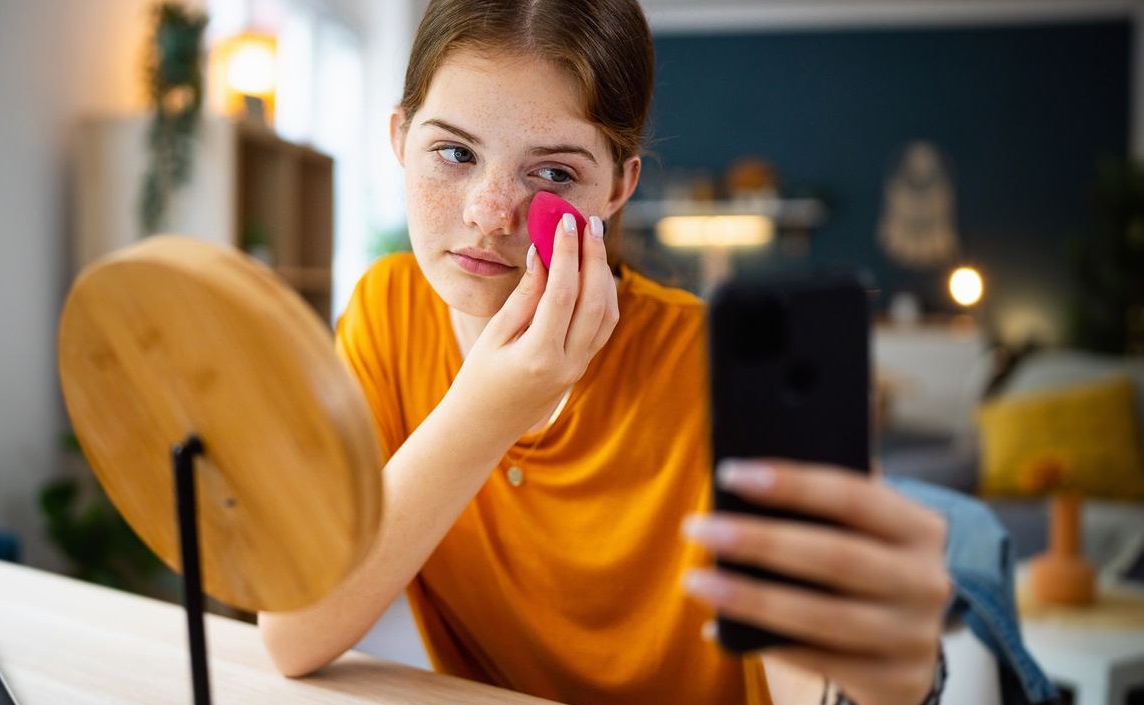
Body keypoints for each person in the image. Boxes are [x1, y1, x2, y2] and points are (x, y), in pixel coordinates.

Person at [258, 1, 951, 703]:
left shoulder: (714, 367)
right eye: (456, 153)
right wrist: (487, 410)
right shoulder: (387, 309)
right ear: (400, 138)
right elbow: (292, 632)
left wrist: (890, 676)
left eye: (554, 175)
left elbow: (826, 677)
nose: (489, 213)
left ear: (619, 187)